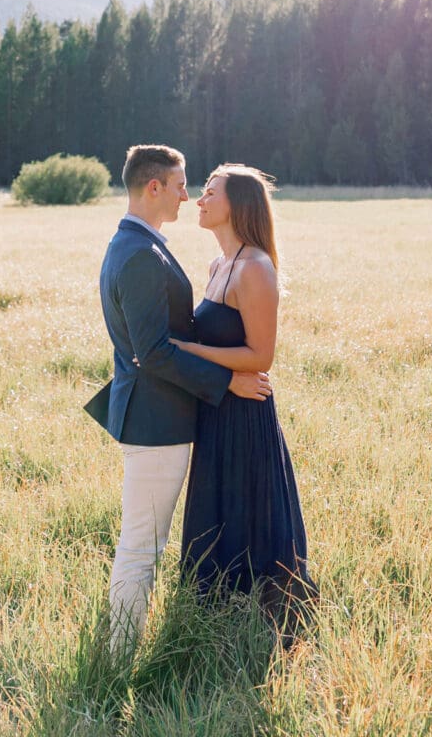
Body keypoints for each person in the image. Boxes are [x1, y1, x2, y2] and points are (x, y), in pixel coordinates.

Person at [85, 144, 272, 653]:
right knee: (142, 547)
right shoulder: (141, 255)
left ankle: (123, 646)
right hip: (155, 419)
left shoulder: (139, 244)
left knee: (144, 542)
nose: (187, 196)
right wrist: (227, 382)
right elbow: (154, 353)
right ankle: (121, 656)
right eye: (181, 184)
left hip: (155, 415)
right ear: (154, 187)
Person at [172, 163, 316, 622]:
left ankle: (268, 614)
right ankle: (212, 613)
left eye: (211, 192)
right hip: (217, 405)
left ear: (238, 205)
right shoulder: (220, 264)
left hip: (245, 409)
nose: (200, 199)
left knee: (248, 511)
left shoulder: (254, 267)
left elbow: (260, 356)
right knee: (218, 505)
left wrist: (189, 348)